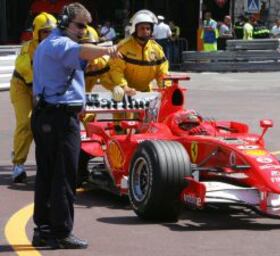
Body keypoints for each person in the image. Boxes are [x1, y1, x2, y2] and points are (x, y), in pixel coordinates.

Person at [31, 2, 122, 249]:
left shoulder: (49, 44)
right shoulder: (61, 44)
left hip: (48, 115)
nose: (83, 30)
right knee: (64, 175)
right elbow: (82, 52)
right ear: (64, 23)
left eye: (86, 26)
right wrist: (109, 49)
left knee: (48, 174)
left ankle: (44, 229)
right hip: (59, 118)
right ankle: (60, 231)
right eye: (79, 25)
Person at [9, 12, 56, 183]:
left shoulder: (58, 47)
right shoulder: (27, 49)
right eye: (45, 32)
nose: (49, 35)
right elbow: (28, 73)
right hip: (22, 87)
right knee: (26, 123)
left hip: (43, 89)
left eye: (52, 31)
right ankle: (18, 165)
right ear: (36, 32)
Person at [108, 9, 169, 93]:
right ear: (135, 29)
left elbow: (162, 73)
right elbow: (116, 70)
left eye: (148, 28)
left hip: (145, 91)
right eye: (142, 28)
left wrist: (166, 90)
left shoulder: (157, 49)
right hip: (124, 92)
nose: (145, 31)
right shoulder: (123, 47)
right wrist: (124, 87)